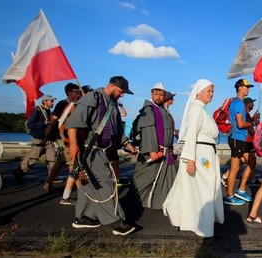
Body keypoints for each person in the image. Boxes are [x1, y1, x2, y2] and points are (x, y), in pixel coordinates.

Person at [65, 76, 136, 236]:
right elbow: (74, 123)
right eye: (121, 91)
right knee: (106, 184)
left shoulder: (111, 103)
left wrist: (125, 143)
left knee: (88, 185)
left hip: (103, 151)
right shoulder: (92, 98)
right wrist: (74, 145)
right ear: (111, 85)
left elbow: (115, 128)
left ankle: (83, 217)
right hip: (91, 151)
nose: (122, 95)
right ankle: (115, 222)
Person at [163, 79, 224, 238]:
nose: (211, 94)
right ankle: (205, 226)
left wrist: (214, 154)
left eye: (212, 91)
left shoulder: (202, 110)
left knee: (192, 188)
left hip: (205, 152)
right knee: (204, 190)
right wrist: (190, 159)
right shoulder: (196, 109)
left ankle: (182, 218)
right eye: (208, 91)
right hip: (199, 154)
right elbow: (191, 136)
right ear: (199, 92)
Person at [129, 82, 177, 210]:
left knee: (165, 178)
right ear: (152, 94)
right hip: (155, 151)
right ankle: (131, 202)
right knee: (144, 178)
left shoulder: (161, 109)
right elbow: (149, 131)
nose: (159, 97)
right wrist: (152, 151)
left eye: (161, 95)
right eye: (156, 94)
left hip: (166, 151)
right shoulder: (149, 109)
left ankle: (164, 201)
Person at [56, 85, 94, 205]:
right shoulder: (75, 107)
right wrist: (71, 142)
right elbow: (66, 125)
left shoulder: (80, 106)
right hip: (75, 143)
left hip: (80, 142)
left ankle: (68, 196)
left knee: (76, 169)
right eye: (88, 93)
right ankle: (72, 195)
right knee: (76, 169)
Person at [224, 79, 260, 205]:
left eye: (249, 87)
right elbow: (240, 124)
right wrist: (254, 122)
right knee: (234, 168)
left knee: (252, 161)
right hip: (237, 138)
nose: (248, 89)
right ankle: (229, 195)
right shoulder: (239, 103)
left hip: (240, 139)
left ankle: (241, 190)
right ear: (240, 88)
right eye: (246, 87)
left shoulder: (237, 103)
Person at [42, 83, 81, 194]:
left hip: (71, 137)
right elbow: (54, 121)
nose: (78, 93)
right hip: (63, 137)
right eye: (76, 92)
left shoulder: (78, 104)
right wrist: (46, 137)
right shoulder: (62, 104)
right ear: (69, 92)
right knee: (71, 162)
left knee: (60, 162)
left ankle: (48, 183)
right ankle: (76, 190)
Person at [14, 94, 57, 181]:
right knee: (33, 159)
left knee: (52, 159)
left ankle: (52, 177)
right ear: (45, 101)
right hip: (38, 139)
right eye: (51, 101)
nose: (53, 102)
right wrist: (43, 123)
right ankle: (19, 171)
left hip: (48, 139)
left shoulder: (50, 112)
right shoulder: (37, 110)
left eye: (53, 101)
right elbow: (30, 124)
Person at [221, 97, 261, 187]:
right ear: (248, 104)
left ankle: (252, 179)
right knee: (250, 161)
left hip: (246, 139)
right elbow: (247, 126)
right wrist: (256, 134)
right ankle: (230, 179)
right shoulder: (245, 113)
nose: (253, 104)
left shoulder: (246, 113)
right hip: (245, 140)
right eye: (252, 102)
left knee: (248, 160)